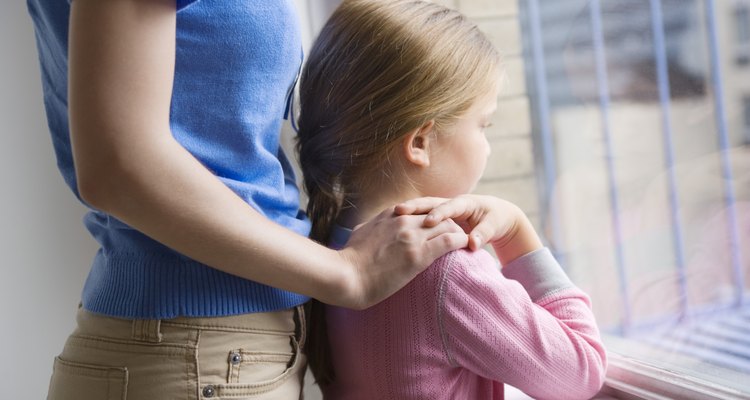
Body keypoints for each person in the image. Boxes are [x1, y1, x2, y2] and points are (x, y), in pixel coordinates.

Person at [25, 0, 500, 398]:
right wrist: (345, 272)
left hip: (201, 351)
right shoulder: (449, 273)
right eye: (484, 125)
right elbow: (117, 167)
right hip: (197, 355)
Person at [295, 1, 608, 399]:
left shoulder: (328, 245)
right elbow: (582, 372)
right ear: (421, 141)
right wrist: (516, 232)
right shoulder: (444, 267)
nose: (488, 146)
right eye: (483, 124)